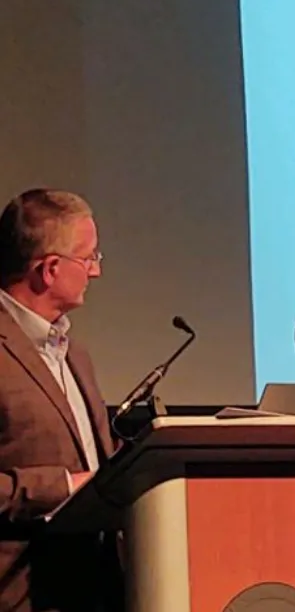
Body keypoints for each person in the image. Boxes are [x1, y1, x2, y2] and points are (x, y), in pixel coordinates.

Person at [0, 188, 123, 612]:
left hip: (92, 589)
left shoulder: (74, 352)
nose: (95, 271)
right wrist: (65, 486)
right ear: (50, 269)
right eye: (88, 259)